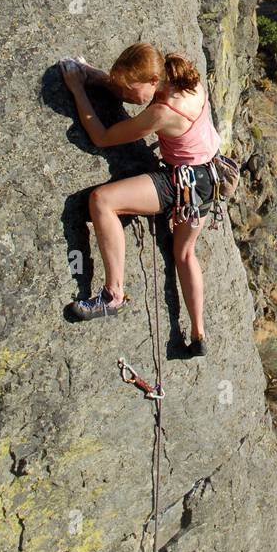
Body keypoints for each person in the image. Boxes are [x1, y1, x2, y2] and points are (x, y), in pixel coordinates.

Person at [60, 44, 239, 357]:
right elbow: (133, 89)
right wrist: (93, 75)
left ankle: (112, 295)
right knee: (184, 253)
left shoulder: (163, 111)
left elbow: (102, 137)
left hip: (182, 184)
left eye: (131, 88)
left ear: (154, 80)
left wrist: (78, 90)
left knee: (102, 201)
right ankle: (198, 332)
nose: (125, 96)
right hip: (209, 179)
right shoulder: (180, 71)